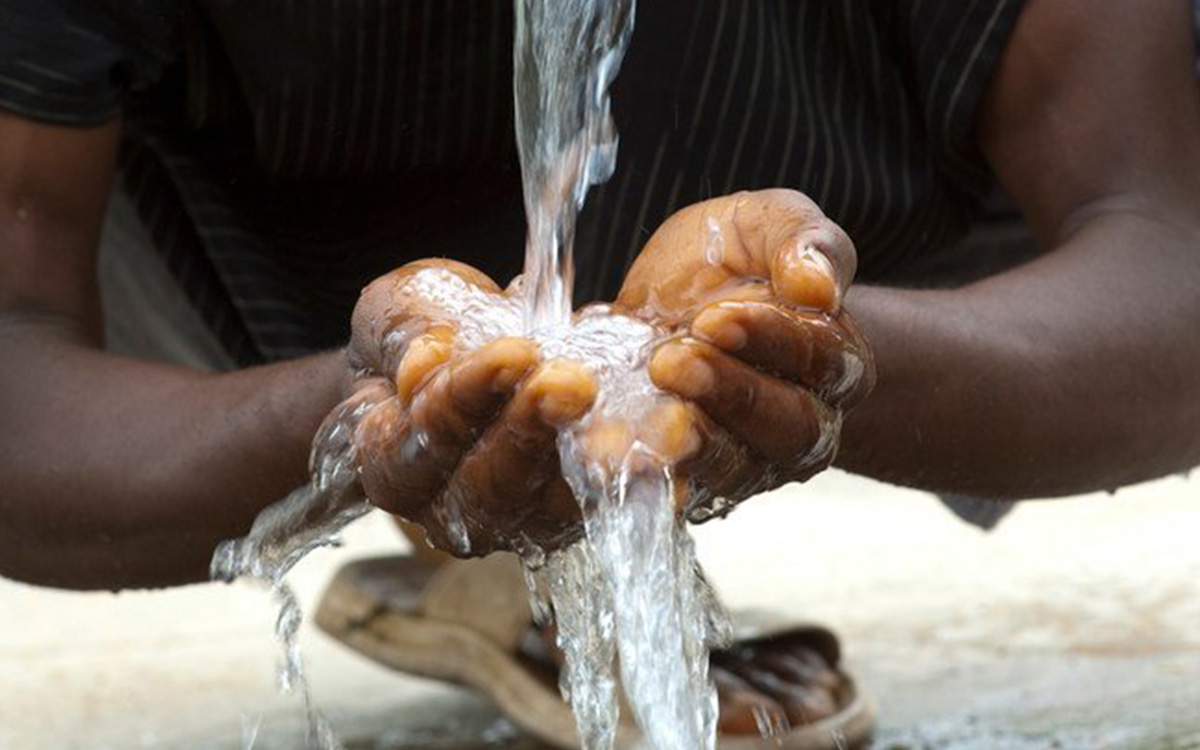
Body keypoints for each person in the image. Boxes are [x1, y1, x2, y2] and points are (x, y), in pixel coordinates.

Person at [2, 0, 1200, 742]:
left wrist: (829, 356)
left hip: (890, 186)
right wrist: (359, 416)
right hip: (237, 257)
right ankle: (501, 537)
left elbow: (1166, 254)